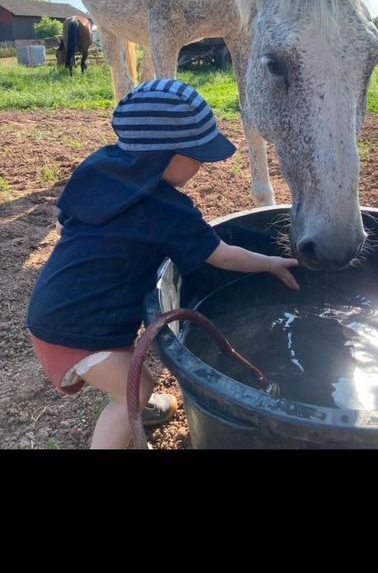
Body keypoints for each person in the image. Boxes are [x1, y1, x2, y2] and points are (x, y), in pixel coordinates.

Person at [26, 78, 299, 449]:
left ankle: (136, 405)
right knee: (135, 392)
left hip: (53, 308)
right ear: (166, 155)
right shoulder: (166, 209)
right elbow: (222, 255)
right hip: (77, 333)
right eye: (198, 154)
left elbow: (63, 222)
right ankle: (127, 416)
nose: (203, 163)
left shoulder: (100, 166)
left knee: (130, 384)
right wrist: (270, 263)